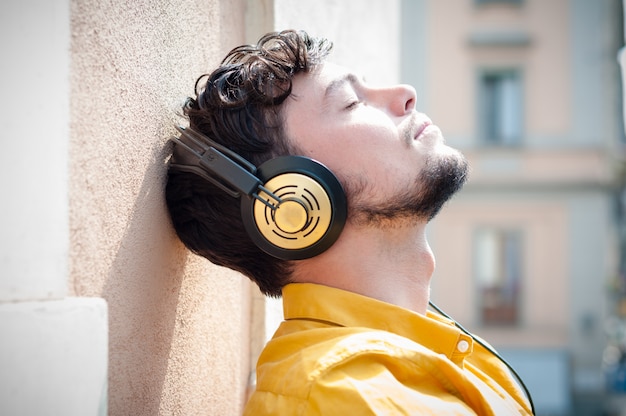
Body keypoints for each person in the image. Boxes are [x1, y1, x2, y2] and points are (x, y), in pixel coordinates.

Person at [166, 30, 534, 415]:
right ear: (289, 205)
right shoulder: (337, 397)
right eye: (352, 102)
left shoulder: (407, 358)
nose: (405, 94)